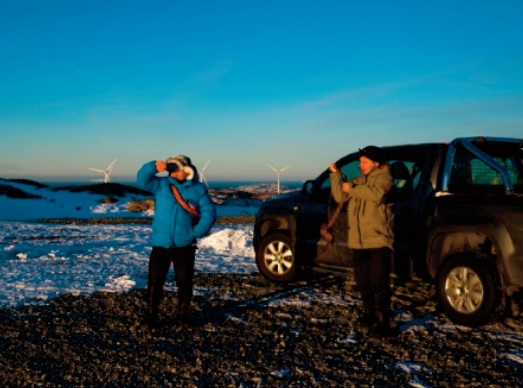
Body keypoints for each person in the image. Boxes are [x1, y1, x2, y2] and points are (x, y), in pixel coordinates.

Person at [137, 155, 216, 328]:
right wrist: (152, 167)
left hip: (185, 246)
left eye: (176, 169)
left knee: (184, 282)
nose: (172, 172)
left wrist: (195, 232)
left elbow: (209, 212)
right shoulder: (161, 185)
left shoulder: (198, 189)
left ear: (186, 170)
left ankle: (183, 316)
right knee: (155, 281)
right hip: (161, 243)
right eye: (170, 169)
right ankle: (151, 316)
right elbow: (141, 180)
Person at [329, 146, 395, 336]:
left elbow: (376, 194)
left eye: (364, 162)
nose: (360, 166)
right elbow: (339, 196)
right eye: (360, 162)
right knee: (363, 280)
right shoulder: (358, 182)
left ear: (375, 163)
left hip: (377, 239)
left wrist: (353, 189)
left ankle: (384, 322)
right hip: (358, 240)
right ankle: (369, 314)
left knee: (379, 281)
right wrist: (336, 175)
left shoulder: (385, 180)